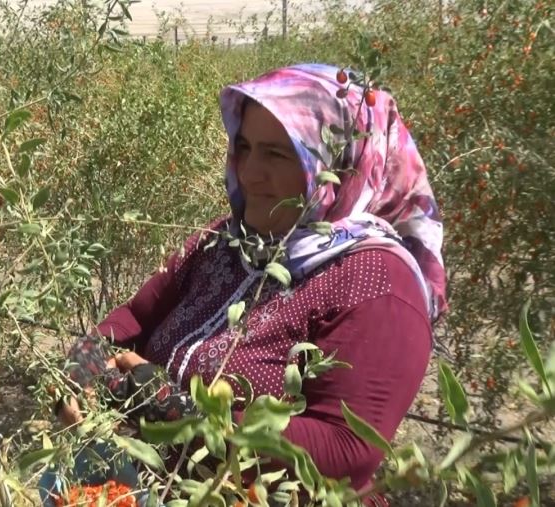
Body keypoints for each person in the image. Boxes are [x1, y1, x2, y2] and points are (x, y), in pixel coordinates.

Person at [43, 63, 447, 506]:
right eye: (244, 146)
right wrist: (84, 361)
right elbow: (138, 316)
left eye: (278, 153)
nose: (250, 171)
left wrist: (185, 416)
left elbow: (347, 452)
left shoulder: (380, 284)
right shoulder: (227, 238)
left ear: (338, 165)